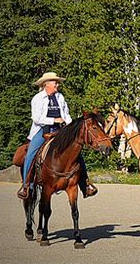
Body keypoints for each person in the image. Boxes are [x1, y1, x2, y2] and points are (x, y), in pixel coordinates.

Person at [17, 72, 98, 200]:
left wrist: (70, 126)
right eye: (55, 82)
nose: (57, 85)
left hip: (61, 130)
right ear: (46, 84)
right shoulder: (37, 98)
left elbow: (66, 114)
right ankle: (27, 186)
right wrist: (54, 120)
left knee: (76, 151)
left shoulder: (60, 97)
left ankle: (85, 185)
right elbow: (37, 118)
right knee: (31, 152)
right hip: (42, 130)